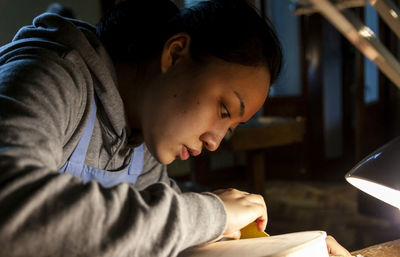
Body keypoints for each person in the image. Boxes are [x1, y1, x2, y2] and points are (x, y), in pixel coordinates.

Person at [0, 0, 350, 256]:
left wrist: (301, 249)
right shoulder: (48, 78)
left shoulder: (142, 144)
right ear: (176, 54)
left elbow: (155, 230)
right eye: (224, 108)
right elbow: (12, 209)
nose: (214, 141)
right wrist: (213, 213)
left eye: (230, 127)